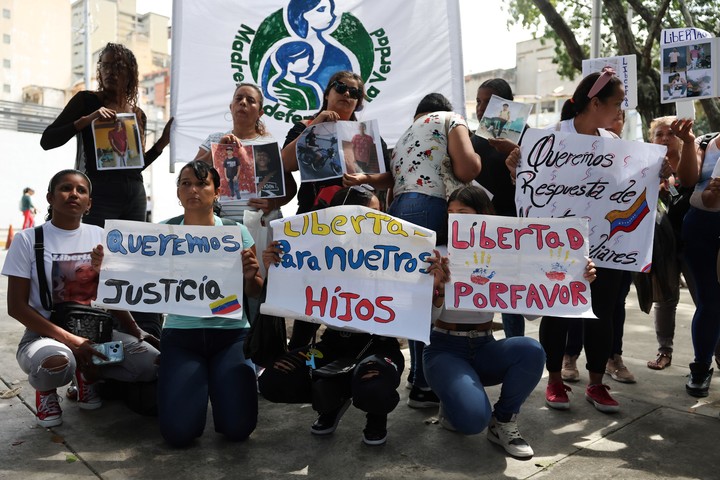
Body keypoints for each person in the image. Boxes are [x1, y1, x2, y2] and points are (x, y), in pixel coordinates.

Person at [94, 160, 263, 447]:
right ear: (178, 192)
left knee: (238, 430)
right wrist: (106, 268)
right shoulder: (160, 234)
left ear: (217, 191)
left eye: (202, 183)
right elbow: (135, 276)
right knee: (178, 434)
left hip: (231, 335)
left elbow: (256, 290)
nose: (193, 189)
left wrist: (249, 275)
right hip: (182, 337)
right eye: (185, 183)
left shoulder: (236, 233)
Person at [343, 92, 481, 409]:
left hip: (402, 208)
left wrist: (364, 177)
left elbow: (390, 179)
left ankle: (419, 380)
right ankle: (425, 381)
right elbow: (468, 170)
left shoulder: (406, 135)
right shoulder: (450, 119)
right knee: (435, 292)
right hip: (433, 205)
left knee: (416, 298)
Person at [507, 68, 629, 412]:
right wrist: (516, 162)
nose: (620, 111)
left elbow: (627, 187)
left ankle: (596, 384)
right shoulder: (548, 138)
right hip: (556, 245)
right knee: (558, 310)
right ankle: (555, 381)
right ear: (595, 102)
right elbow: (528, 184)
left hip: (605, 244)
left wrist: (655, 174)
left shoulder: (614, 143)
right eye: (617, 103)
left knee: (602, 312)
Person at [2, 169, 159, 428]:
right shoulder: (28, 239)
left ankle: (87, 376)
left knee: (150, 362)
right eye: (65, 188)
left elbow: (112, 293)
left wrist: (134, 329)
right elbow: (16, 307)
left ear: (89, 204)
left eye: (81, 190)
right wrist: (75, 342)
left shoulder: (100, 236)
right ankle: (47, 393)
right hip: (46, 336)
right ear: (50, 197)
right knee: (56, 362)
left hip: (98, 333)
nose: (73, 194)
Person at [258, 186, 404, 446]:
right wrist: (275, 270)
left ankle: (376, 414)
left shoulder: (398, 255)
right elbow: (290, 298)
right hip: (331, 346)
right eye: (365, 214)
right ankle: (331, 400)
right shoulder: (319, 253)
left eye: (378, 214)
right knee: (274, 379)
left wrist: (434, 288)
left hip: (380, 348)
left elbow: (421, 315)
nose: (374, 222)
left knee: (373, 385)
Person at [281, 70, 390, 349]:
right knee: (309, 293)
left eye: (355, 92)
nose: (347, 94)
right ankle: (299, 356)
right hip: (313, 223)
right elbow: (284, 163)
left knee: (350, 293)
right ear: (327, 92)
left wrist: (365, 179)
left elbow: (389, 178)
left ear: (359, 102)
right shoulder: (304, 125)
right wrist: (314, 126)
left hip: (357, 232)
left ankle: (347, 356)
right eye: (341, 87)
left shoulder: (367, 135)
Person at [40, 43, 172, 228]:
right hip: (100, 194)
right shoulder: (86, 100)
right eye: (105, 65)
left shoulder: (138, 114)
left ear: (131, 73)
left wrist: (162, 142)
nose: (110, 71)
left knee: (129, 255)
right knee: (96, 251)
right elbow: (47, 141)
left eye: (118, 66)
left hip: (134, 195)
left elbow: (135, 166)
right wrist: (87, 120)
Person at [642, 117, 720, 371]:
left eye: (670, 134)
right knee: (664, 298)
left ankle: (715, 352)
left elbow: (690, 183)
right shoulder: (647, 166)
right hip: (662, 244)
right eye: (658, 134)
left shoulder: (694, 159)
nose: (664, 139)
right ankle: (664, 351)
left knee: (705, 299)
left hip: (692, 243)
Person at [195, 83, 295, 222]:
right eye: (238, 98)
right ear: (231, 107)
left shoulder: (269, 146)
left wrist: (273, 203)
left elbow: (290, 188)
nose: (243, 102)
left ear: (260, 113)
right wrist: (218, 150)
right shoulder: (215, 140)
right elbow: (193, 175)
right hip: (222, 225)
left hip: (261, 226)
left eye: (250, 100)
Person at [472, 78, 525, 338]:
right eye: (479, 102)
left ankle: (515, 344)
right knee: (481, 285)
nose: (481, 108)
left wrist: (516, 151)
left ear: (506, 106)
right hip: (481, 226)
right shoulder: (472, 140)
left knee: (510, 293)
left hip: (515, 224)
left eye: (488, 102)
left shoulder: (529, 138)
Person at [675, 118, 720, 397]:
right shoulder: (705, 141)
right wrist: (689, 143)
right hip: (702, 231)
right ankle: (701, 367)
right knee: (711, 302)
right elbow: (688, 181)